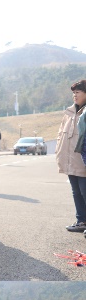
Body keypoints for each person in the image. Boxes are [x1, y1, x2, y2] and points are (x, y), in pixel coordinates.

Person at [56, 79, 86, 233]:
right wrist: (58, 151)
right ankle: (81, 221)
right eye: (73, 93)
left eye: (78, 92)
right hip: (69, 161)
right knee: (76, 192)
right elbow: (60, 135)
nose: (74, 95)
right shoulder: (69, 112)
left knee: (84, 192)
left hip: (82, 161)